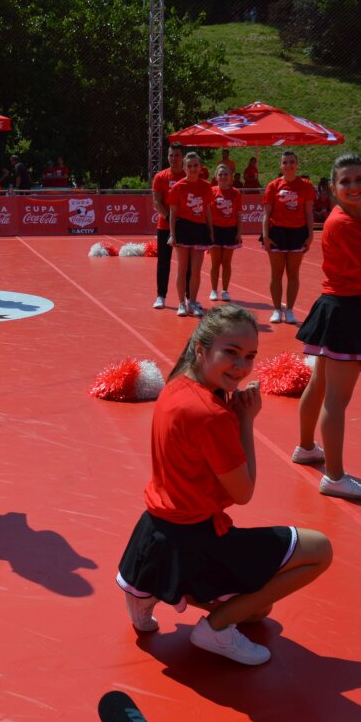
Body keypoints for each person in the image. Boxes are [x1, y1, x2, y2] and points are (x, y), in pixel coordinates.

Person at [115, 305, 333, 665]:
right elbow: (243, 493)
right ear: (202, 349)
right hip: (196, 539)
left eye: (249, 356)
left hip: (155, 535)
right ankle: (215, 629)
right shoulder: (212, 415)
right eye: (230, 352)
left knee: (258, 612)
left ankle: (147, 590)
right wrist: (246, 420)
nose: (241, 366)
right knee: (320, 549)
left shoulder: (179, 381)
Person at [292, 153, 361, 501]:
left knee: (319, 385)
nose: (354, 186)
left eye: (359, 179)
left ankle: (306, 447)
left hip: (335, 307)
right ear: (332, 189)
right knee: (336, 398)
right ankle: (334, 477)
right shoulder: (344, 223)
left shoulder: (352, 216)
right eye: (345, 181)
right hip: (345, 310)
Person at [262, 151, 315, 325]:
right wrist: (266, 235)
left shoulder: (306, 186)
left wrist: (310, 234)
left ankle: (290, 309)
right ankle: (277, 309)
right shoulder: (273, 186)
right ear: (281, 166)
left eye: (292, 162)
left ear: (297, 165)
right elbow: (266, 213)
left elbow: (308, 212)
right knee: (276, 273)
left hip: (297, 233)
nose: (289, 165)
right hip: (277, 233)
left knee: (293, 273)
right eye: (285, 162)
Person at [167, 151, 213, 318]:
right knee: (182, 269)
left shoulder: (206, 186)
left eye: (195, 166)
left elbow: (208, 210)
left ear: (200, 167)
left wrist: (210, 231)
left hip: (199, 229)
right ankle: (181, 303)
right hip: (183, 229)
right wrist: (172, 234)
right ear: (184, 168)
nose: (193, 169)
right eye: (189, 166)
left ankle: (192, 302)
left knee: (196, 270)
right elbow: (173, 212)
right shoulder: (178, 187)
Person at [151, 144, 191, 310]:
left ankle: (189, 296)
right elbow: (156, 202)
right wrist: (169, 218)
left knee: (187, 263)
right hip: (165, 225)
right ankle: (161, 296)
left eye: (177, 155)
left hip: (185, 225)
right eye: (171, 155)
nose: (173, 158)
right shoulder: (160, 177)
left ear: (182, 158)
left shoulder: (188, 176)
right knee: (163, 262)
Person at [207, 164, 242, 302]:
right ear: (216, 177)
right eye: (220, 174)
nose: (223, 177)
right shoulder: (211, 192)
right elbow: (207, 213)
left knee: (226, 263)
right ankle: (214, 290)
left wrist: (239, 232)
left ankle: (225, 291)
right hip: (215, 230)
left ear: (230, 177)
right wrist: (209, 231)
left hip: (230, 230)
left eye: (225, 174)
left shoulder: (236, 193)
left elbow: (238, 214)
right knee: (215, 263)